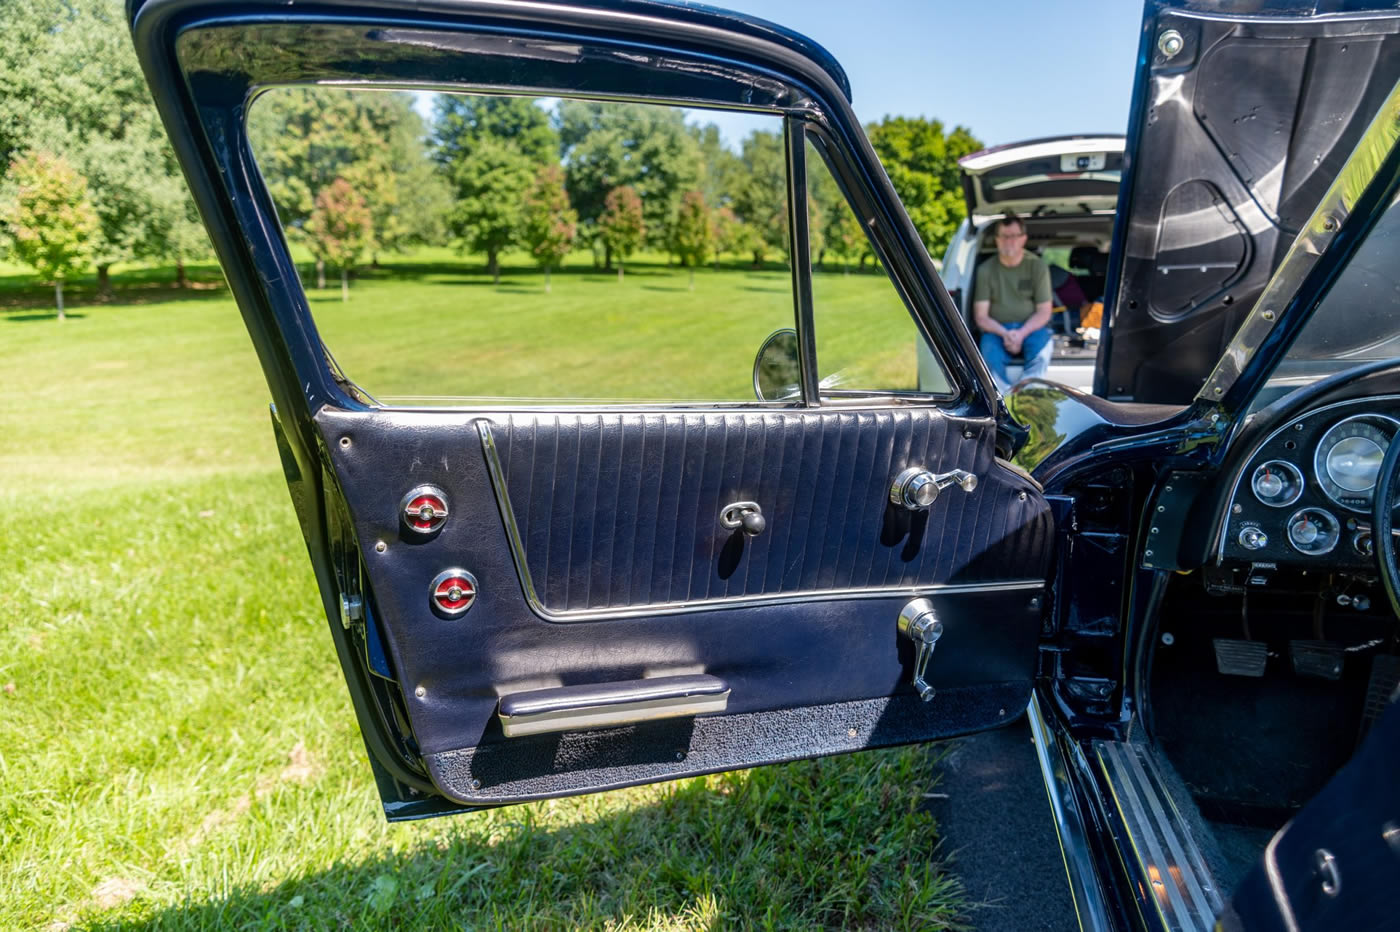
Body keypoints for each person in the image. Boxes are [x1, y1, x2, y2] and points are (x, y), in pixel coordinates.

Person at [972, 214, 1054, 392]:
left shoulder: (1037, 266)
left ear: (1023, 239)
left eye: (1014, 236)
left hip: (1032, 328)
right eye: (1004, 236)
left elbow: (1044, 312)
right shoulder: (985, 270)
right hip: (996, 330)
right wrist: (1005, 334)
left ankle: (1024, 396)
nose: (1009, 241)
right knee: (989, 361)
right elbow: (981, 317)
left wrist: (1021, 333)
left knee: (1041, 356)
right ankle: (1003, 403)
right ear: (997, 240)